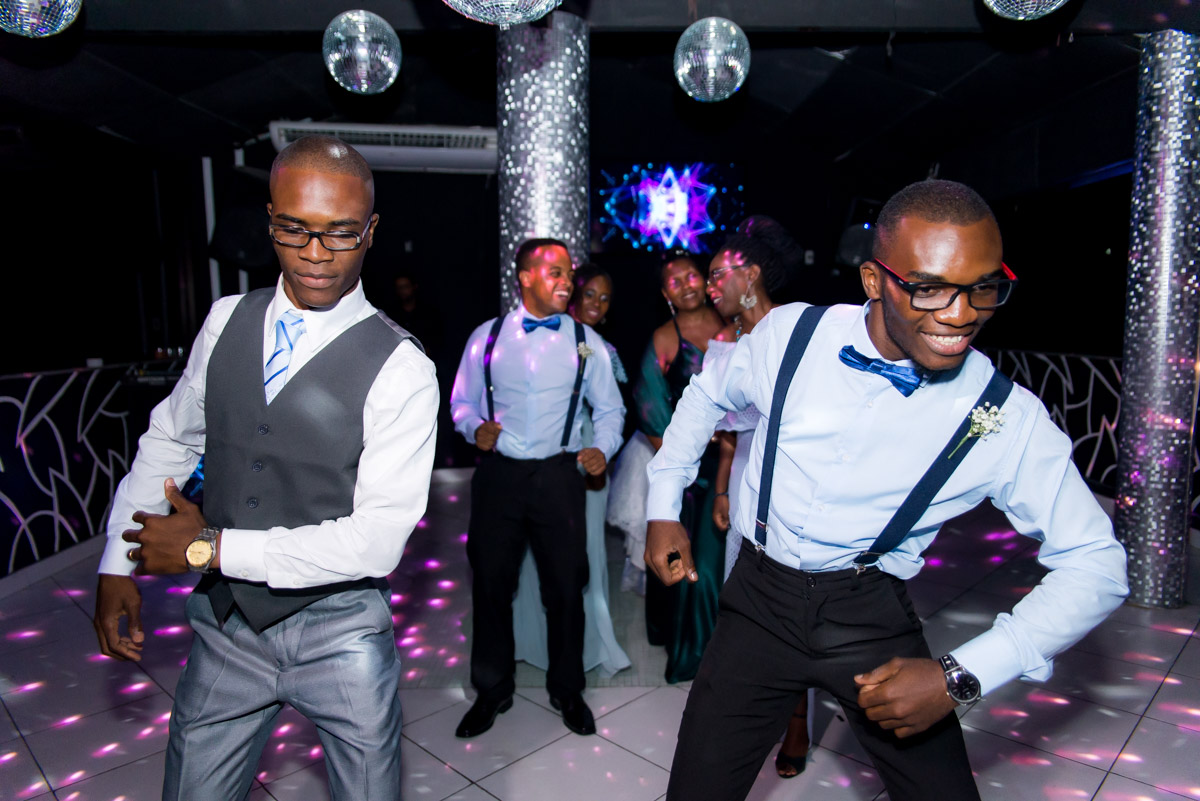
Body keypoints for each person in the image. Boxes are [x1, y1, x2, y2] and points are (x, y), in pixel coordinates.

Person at [645, 179, 1129, 801]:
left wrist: (962, 675)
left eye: (983, 287)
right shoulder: (790, 336)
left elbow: (1097, 562)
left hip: (867, 613)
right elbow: (709, 395)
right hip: (757, 602)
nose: (962, 315)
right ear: (874, 281)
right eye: (929, 288)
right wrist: (664, 503)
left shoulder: (1001, 415)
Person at [93, 135, 439, 801]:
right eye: (296, 229)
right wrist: (117, 559)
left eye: (340, 233)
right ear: (270, 220)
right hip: (228, 627)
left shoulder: (404, 367)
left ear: (370, 232)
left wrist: (207, 545)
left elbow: (375, 539)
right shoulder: (226, 320)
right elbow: (169, 438)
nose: (316, 254)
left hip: (342, 630)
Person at [450, 239, 625, 738]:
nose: (567, 280)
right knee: (490, 584)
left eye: (568, 272)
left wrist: (603, 449)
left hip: (559, 475)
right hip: (499, 476)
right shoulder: (486, 337)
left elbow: (611, 410)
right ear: (524, 277)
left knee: (567, 587)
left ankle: (567, 689)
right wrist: (472, 427)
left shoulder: (583, 341)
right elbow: (461, 401)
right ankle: (492, 689)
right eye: (554, 271)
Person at [703, 216, 812, 779]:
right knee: (745, 616)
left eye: (720, 274)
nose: (710, 285)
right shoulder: (723, 350)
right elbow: (729, 435)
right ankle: (749, 716)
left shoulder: (802, 335)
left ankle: (796, 723)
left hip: (794, 490)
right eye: (708, 277)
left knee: (791, 617)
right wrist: (722, 490)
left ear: (753, 274)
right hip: (745, 485)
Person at [512, 264, 632, 679]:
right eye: (591, 295)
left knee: (587, 547)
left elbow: (612, 410)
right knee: (533, 547)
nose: (597, 304)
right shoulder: (541, 340)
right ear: (572, 295)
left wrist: (599, 447)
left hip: (588, 455)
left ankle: (587, 640)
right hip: (545, 454)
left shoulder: (600, 348)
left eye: (605, 298)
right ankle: (534, 637)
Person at [619, 248, 726, 683]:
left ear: (707, 280)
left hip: (739, 458)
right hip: (687, 466)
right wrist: (683, 465)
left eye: (691, 276)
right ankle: (697, 652)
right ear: (666, 293)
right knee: (697, 556)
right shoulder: (666, 337)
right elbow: (649, 405)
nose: (685, 285)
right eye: (674, 281)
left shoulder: (737, 328)